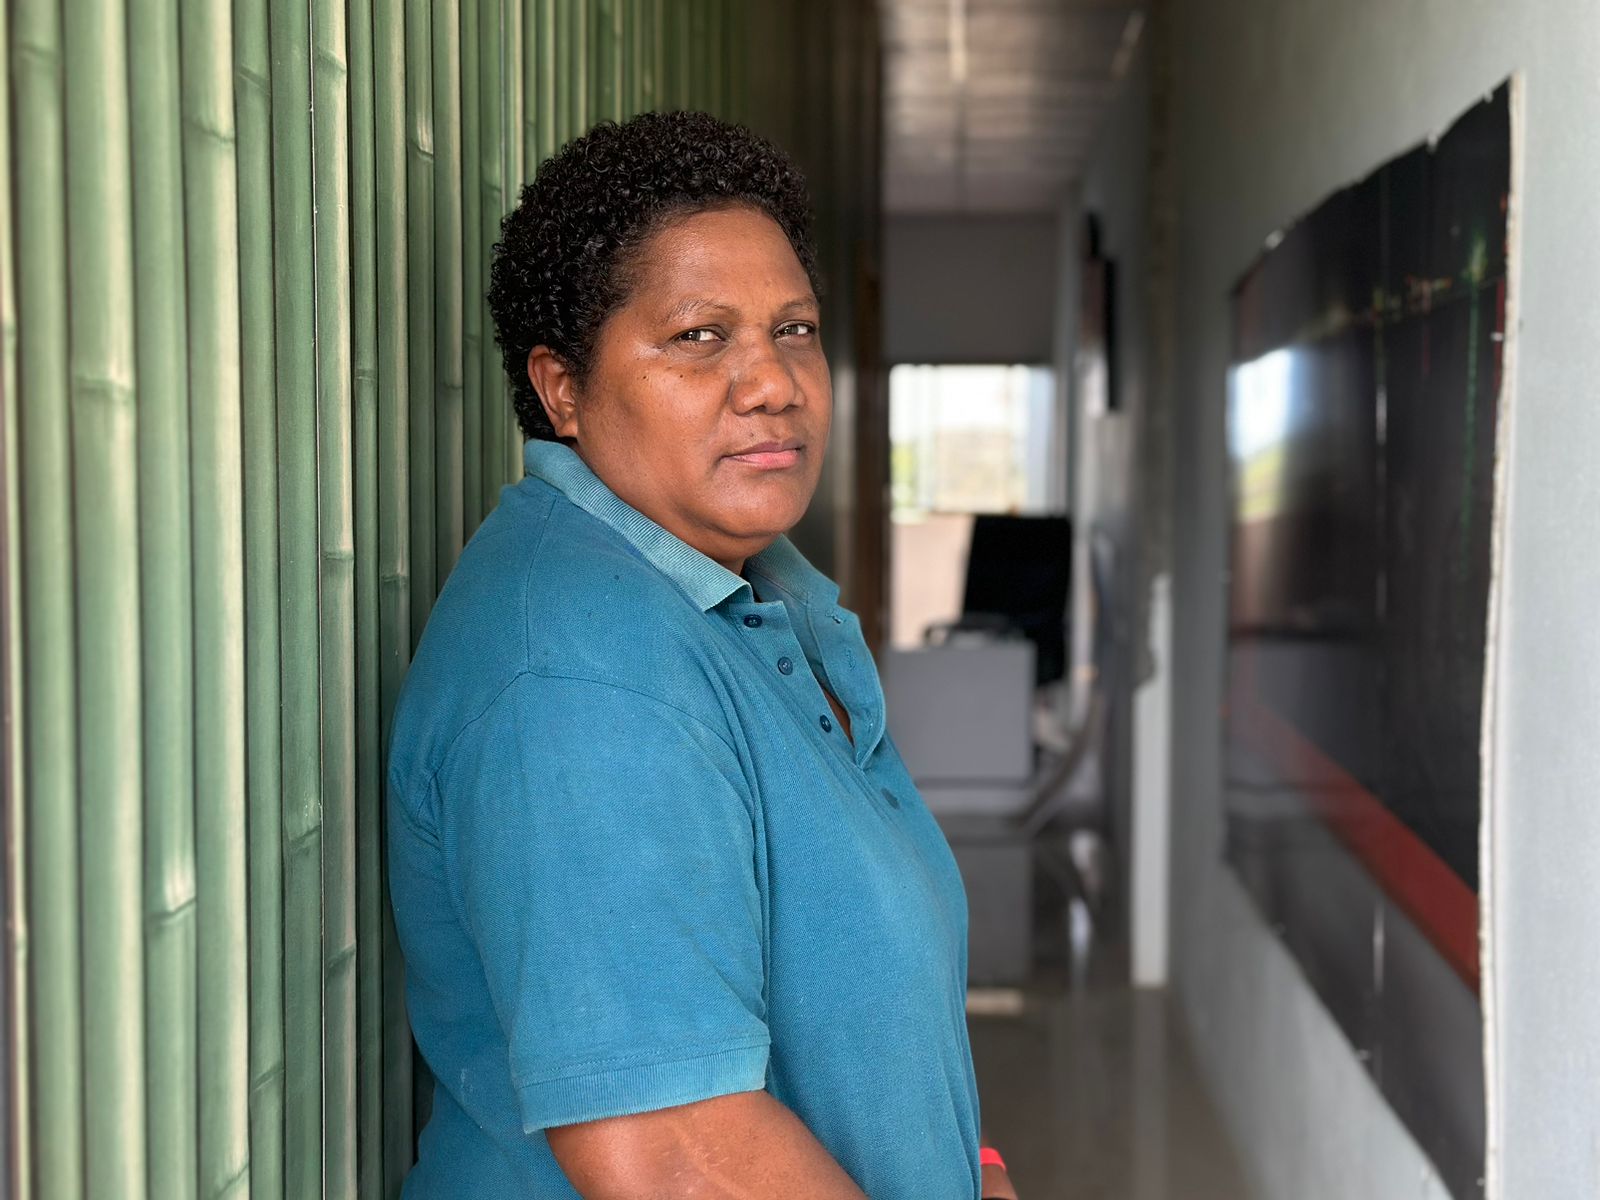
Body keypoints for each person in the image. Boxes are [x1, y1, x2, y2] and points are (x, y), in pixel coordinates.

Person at [386, 110, 1017, 1200]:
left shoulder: (750, 582)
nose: (773, 380)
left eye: (796, 329)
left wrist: (975, 1165)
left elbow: (876, 1007)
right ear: (561, 389)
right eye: (699, 336)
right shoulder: (580, 683)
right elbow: (674, 1157)